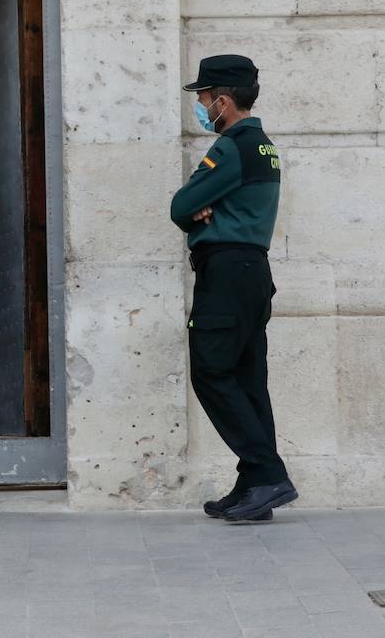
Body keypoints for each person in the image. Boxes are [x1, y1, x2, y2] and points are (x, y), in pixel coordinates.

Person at [170, 55, 298, 522]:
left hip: (225, 272)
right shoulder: (263, 146)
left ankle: (267, 474)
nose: (201, 105)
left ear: (222, 100)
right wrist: (205, 207)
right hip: (252, 273)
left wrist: (200, 208)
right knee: (247, 379)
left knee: (210, 371)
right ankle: (253, 486)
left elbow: (182, 205)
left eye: (203, 97)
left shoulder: (231, 147)